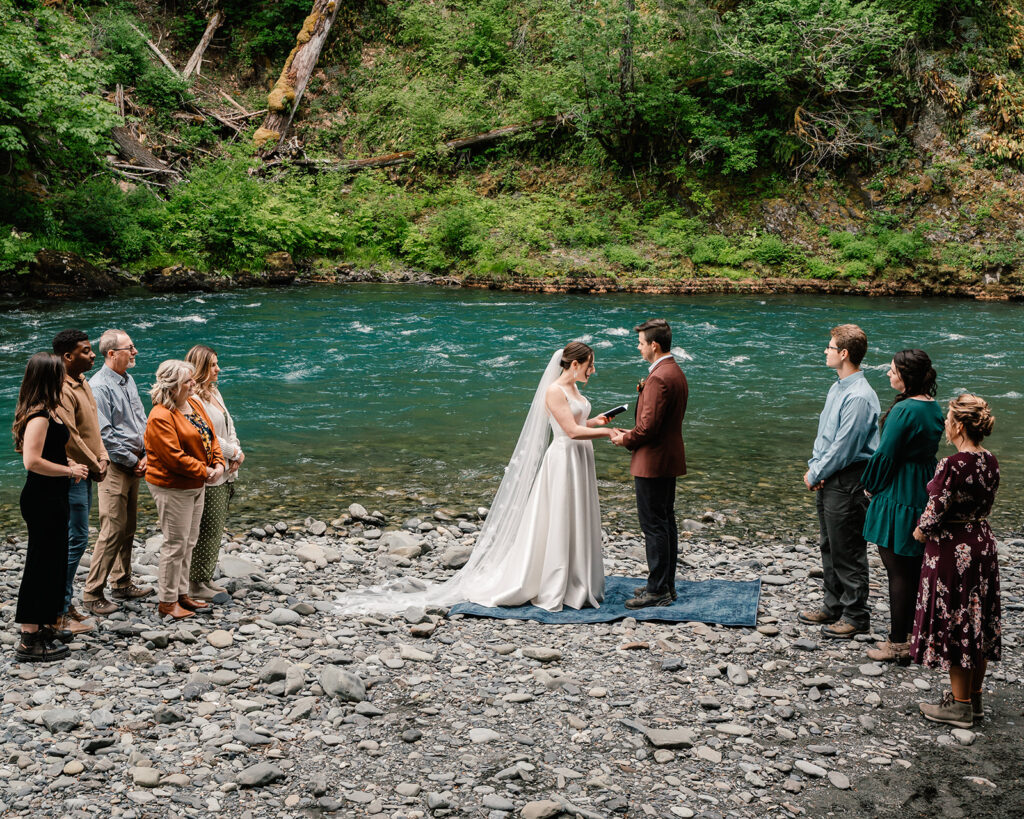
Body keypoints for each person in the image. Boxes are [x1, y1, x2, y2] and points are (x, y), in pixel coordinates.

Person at [334, 341, 612, 615]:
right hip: (564, 459)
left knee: (578, 516)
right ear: (574, 364)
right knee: (560, 518)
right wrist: (611, 433)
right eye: (590, 366)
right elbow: (569, 432)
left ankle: (577, 580)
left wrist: (597, 422)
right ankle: (554, 582)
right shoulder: (554, 390)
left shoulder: (573, 387)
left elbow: (577, 424)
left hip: (579, 458)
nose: (593, 371)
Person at [912, 394, 1000, 729]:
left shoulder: (952, 464)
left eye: (950, 419)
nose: (946, 424)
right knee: (977, 621)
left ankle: (960, 707)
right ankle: (974, 699)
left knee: (959, 622)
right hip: (982, 542)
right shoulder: (989, 460)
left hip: (954, 549)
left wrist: (920, 533)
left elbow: (936, 509)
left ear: (960, 425)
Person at [860, 350, 944, 664]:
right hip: (923, 485)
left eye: (892, 370)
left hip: (899, 491)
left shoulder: (904, 410)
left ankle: (898, 644)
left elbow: (885, 455)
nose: (888, 374)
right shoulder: (934, 407)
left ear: (905, 376)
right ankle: (914, 637)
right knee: (913, 569)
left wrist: (870, 484)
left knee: (897, 571)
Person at [799, 324, 880, 638]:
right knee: (829, 545)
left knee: (848, 548)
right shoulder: (839, 386)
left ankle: (856, 614)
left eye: (830, 347)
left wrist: (817, 472)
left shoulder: (859, 396)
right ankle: (833, 605)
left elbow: (845, 448)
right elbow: (826, 438)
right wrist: (816, 468)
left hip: (848, 481)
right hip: (831, 476)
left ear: (844, 354)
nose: (826, 351)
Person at [12, 353, 89, 662]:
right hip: (41, 498)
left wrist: (66, 461)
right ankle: (29, 638)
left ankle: (45, 624)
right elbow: (31, 461)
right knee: (40, 565)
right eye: (60, 373)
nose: (64, 376)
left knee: (54, 562)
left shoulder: (52, 411)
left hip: (54, 496)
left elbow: (50, 451)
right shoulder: (39, 415)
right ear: (48, 378)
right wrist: (69, 471)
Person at [610, 319, 687, 609]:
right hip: (668, 457)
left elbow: (647, 427)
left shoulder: (657, 378)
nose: (638, 347)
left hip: (652, 461)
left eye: (641, 343)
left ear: (654, 345)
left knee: (654, 525)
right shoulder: (674, 370)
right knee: (665, 521)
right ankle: (666, 584)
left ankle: (658, 591)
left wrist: (624, 439)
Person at [144, 360, 225, 620]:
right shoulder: (160, 415)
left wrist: (219, 463)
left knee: (189, 542)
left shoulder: (195, 404)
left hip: (195, 484)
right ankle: (167, 602)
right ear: (174, 385)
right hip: (172, 486)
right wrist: (206, 471)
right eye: (188, 381)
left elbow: (210, 437)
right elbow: (174, 458)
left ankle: (182, 594)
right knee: (175, 543)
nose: (193, 384)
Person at [83, 329, 153, 616]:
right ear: (111, 353)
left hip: (136, 461)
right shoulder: (99, 386)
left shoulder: (128, 379)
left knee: (128, 527)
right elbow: (105, 434)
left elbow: (141, 419)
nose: (135, 352)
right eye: (130, 348)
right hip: (114, 467)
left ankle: (122, 583)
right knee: (112, 529)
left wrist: (148, 452)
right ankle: (92, 593)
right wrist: (133, 460)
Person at [52, 329, 107, 636]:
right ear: (67, 357)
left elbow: (93, 429)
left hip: (87, 469)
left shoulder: (83, 382)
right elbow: (70, 437)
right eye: (86, 351)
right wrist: (94, 463)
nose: (92, 354)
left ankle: (64, 603)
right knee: (76, 540)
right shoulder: (62, 388)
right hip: (73, 473)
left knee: (78, 538)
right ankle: (59, 607)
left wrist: (104, 457)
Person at [185, 345, 244, 601]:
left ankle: (205, 578)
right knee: (206, 527)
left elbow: (228, 425)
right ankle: (196, 582)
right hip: (209, 470)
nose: (218, 369)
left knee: (216, 527)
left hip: (225, 466)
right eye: (212, 365)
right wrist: (234, 453)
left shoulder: (214, 392)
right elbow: (205, 435)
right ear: (199, 368)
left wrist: (237, 449)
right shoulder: (193, 400)